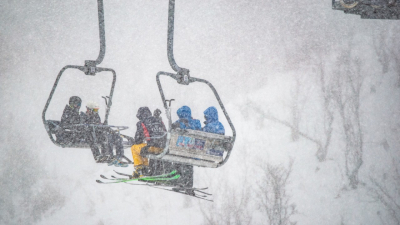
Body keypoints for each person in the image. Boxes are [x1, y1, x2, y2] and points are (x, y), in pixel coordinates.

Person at [130, 107, 167, 178]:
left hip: (153, 147)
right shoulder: (159, 120)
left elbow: (138, 140)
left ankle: (140, 168)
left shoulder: (142, 122)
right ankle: (146, 167)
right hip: (163, 147)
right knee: (144, 148)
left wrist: (134, 141)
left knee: (134, 148)